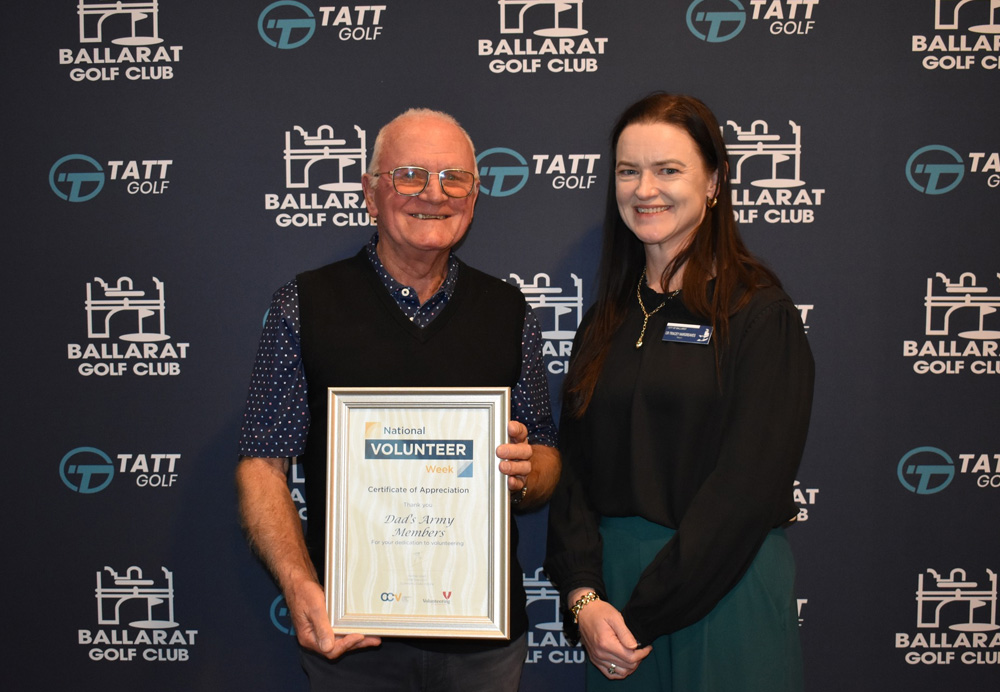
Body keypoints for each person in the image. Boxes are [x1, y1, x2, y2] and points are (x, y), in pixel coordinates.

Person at [236, 108, 560, 692]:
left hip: (483, 640)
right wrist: (299, 582)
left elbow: (544, 454)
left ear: (473, 197)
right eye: (409, 175)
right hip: (352, 637)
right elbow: (263, 463)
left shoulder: (510, 312)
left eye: (454, 179)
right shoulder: (303, 305)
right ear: (370, 193)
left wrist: (527, 471)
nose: (433, 194)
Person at [544, 93, 814, 691]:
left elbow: (747, 488)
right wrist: (585, 599)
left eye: (668, 169)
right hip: (611, 608)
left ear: (713, 182)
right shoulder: (604, 320)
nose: (645, 189)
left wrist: (640, 616)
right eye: (628, 171)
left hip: (724, 595)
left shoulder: (758, 315)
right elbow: (573, 477)